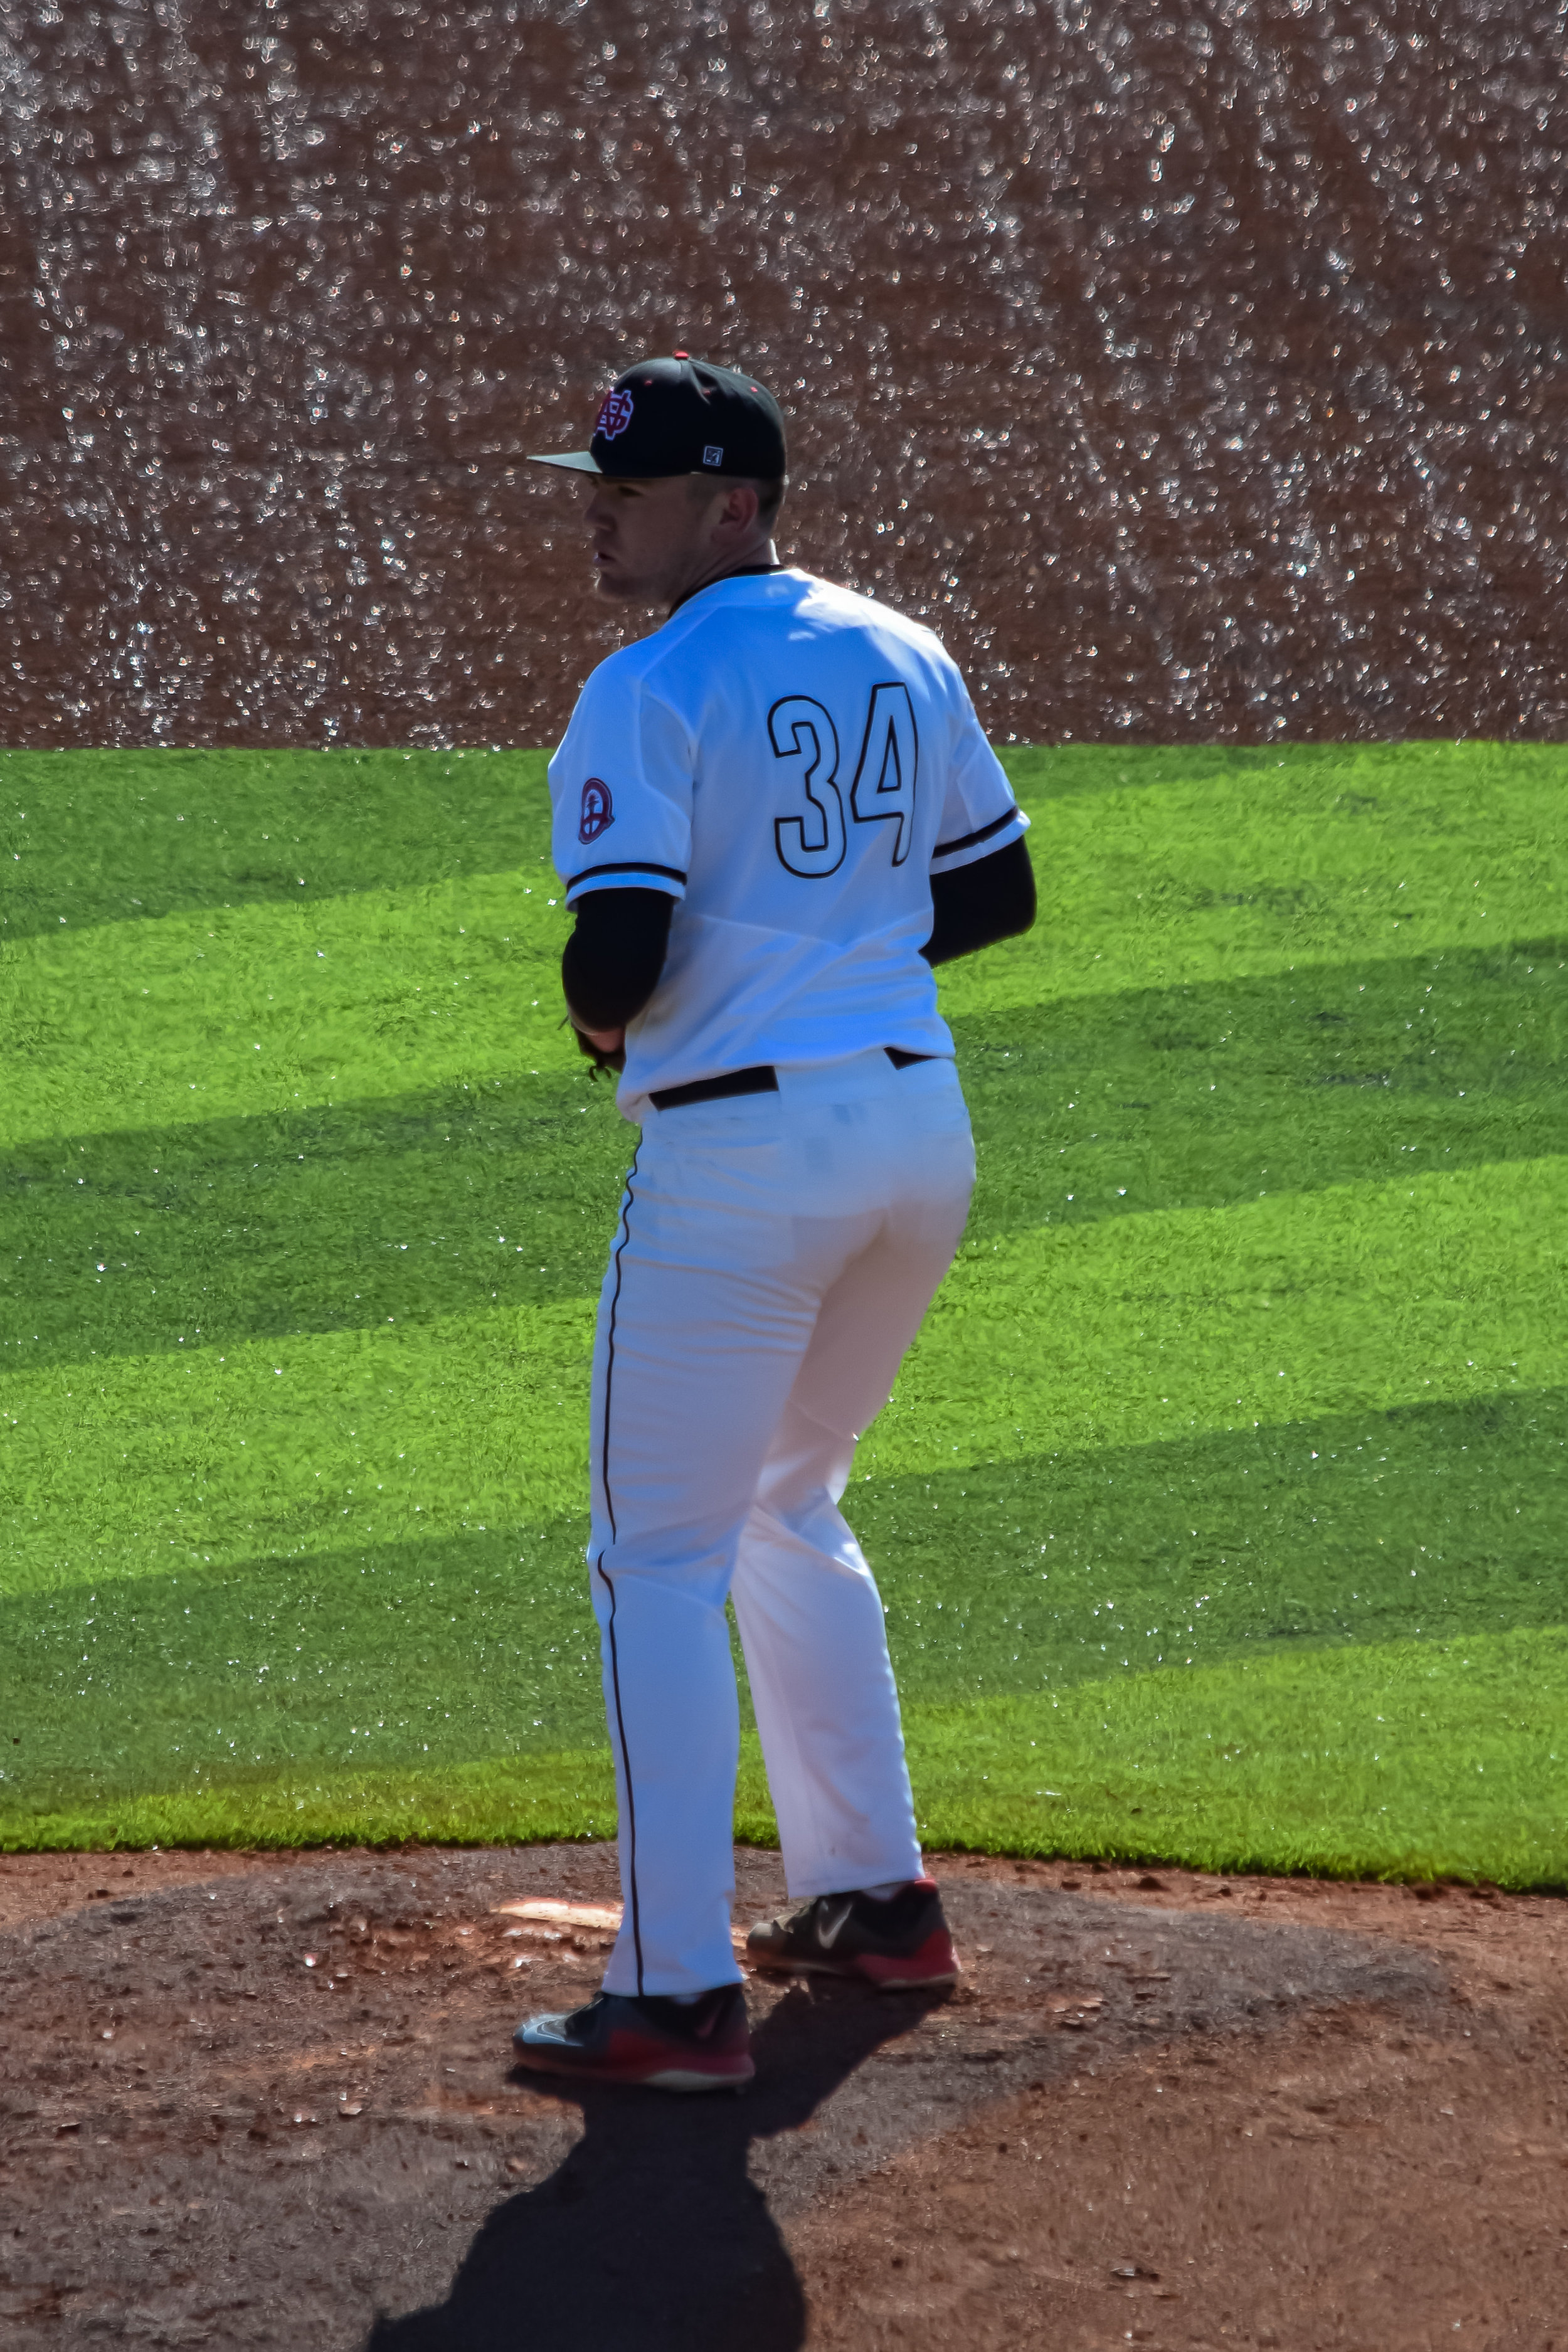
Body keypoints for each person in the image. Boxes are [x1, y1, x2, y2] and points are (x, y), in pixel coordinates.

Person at [512, 354, 1036, 2092]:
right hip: (914, 1136)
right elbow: (994, 888)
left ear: (731, 501)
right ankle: (874, 1900)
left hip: (745, 1165)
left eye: (632, 492)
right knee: (784, 1498)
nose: (600, 514)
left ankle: (668, 1996)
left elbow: (616, 957)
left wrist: (616, 1031)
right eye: (596, 486)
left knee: (650, 1557)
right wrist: (822, 970)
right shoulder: (903, 646)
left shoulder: (644, 686)